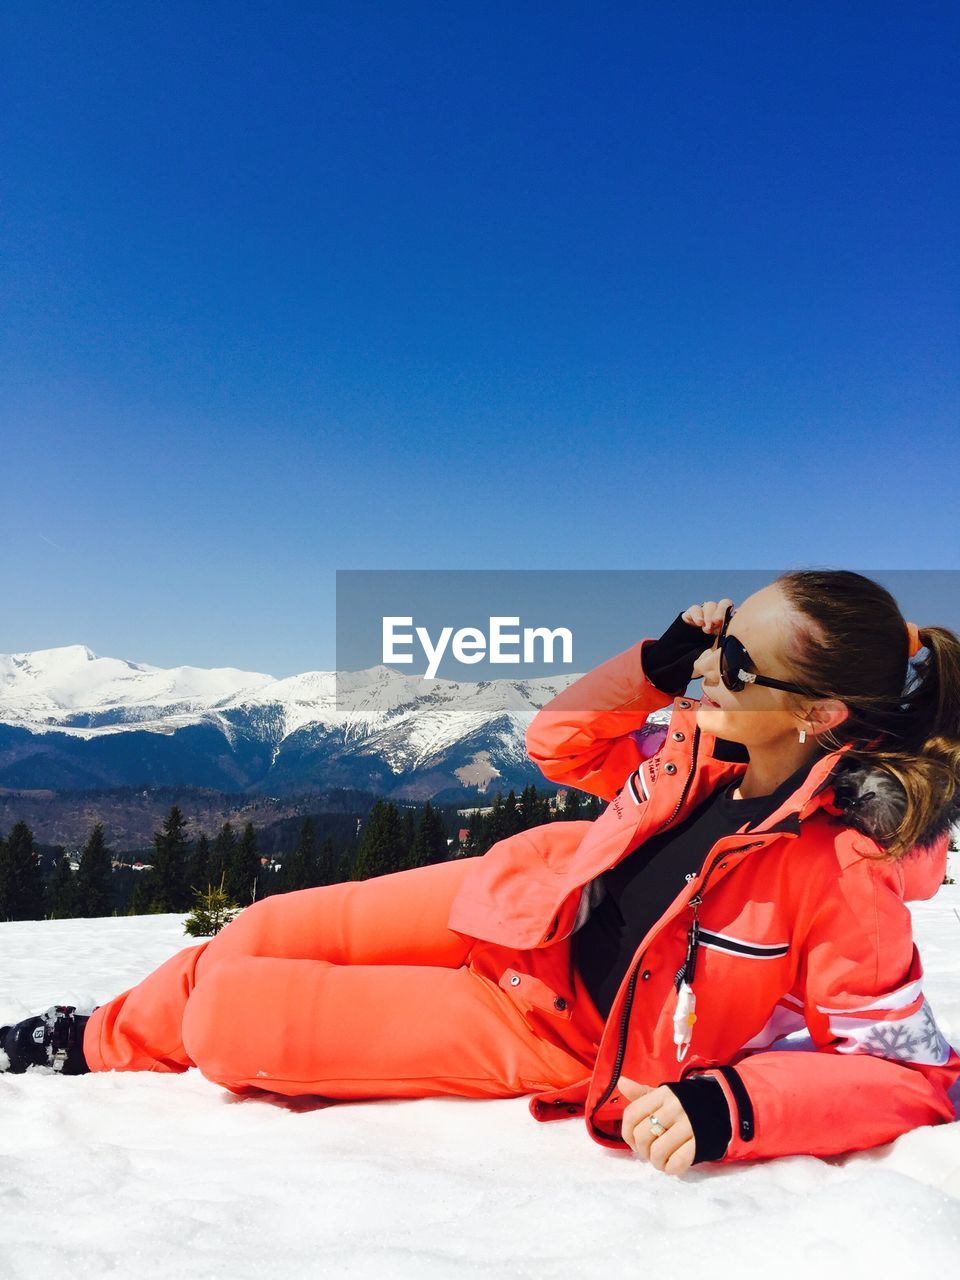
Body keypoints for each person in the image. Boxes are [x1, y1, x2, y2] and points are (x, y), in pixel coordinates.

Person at [3, 569, 959, 1178]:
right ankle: (93, 1036)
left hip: (554, 1028)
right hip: (515, 899)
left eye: (738, 664)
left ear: (821, 714)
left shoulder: (842, 871)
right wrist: (656, 665)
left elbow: (914, 1078)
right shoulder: (694, 749)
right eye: (718, 641)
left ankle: (105, 1039)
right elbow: (557, 743)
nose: (712, 669)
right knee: (250, 935)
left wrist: (737, 1107)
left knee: (224, 1017)